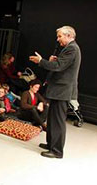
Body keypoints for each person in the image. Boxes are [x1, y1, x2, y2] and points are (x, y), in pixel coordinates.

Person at [29, 26, 81, 159]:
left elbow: (59, 67)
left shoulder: (72, 49)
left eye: (60, 36)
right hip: (59, 90)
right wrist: (53, 61)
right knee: (52, 119)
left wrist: (42, 61)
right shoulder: (70, 49)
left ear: (69, 36)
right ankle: (51, 144)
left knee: (57, 120)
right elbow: (61, 65)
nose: (58, 39)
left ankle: (57, 151)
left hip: (62, 90)